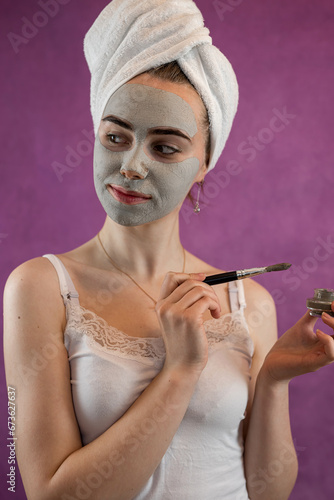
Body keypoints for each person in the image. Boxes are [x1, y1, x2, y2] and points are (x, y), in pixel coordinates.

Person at [3, 1, 334, 499]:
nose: (131, 165)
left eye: (165, 147)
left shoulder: (251, 305)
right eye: (116, 136)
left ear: (204, 162)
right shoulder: (41, 288)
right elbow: (51, 494)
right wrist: (180, 369)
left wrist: (273, 381)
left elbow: (265, 493)